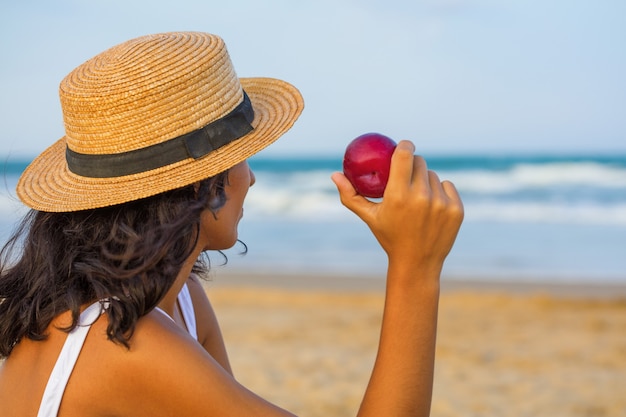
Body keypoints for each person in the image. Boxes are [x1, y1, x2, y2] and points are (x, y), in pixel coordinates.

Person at [0, 31, 463, 416]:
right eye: (240, 157)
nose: (252, 177)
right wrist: (414, 269)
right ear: (202, 185)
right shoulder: (120, 339)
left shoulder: (179, 301)